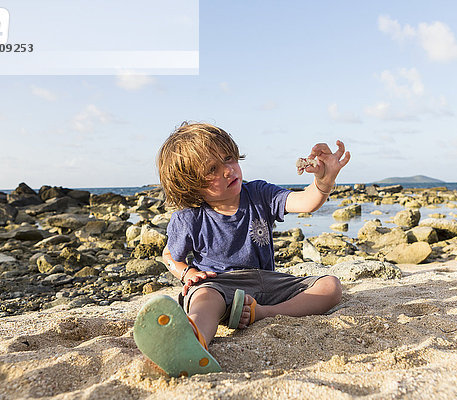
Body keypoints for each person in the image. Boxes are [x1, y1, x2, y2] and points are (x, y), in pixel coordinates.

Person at [133, 122, 351, 377]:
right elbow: (169, 255)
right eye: (212, 169)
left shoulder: (259, 193)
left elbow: (304, 202)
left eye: (228, 158)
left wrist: (323, 182)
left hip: (266, 284)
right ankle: (193, 341)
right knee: (204, 300)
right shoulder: (188, 218)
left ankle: (262, 314)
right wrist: (186, 273)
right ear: (190, 186)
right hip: (219, 286)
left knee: (330, 286)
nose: (227, 170)